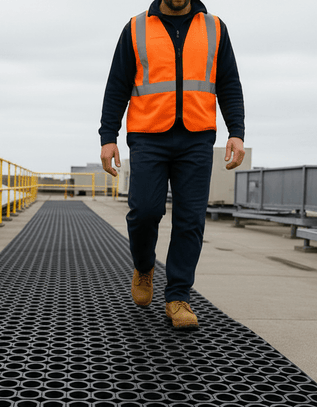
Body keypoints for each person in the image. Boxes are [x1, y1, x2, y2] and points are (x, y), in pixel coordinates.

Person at [99, 0, 245, 329]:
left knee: (190, 220)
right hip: (148, 136)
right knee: (144, 211)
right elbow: (117, 85)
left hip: (196, 137)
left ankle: (178, 296)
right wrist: (108, 136)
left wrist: (236, 131)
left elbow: (229, 84)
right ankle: (144, 265)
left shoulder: (215, 28)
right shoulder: (135, 28)